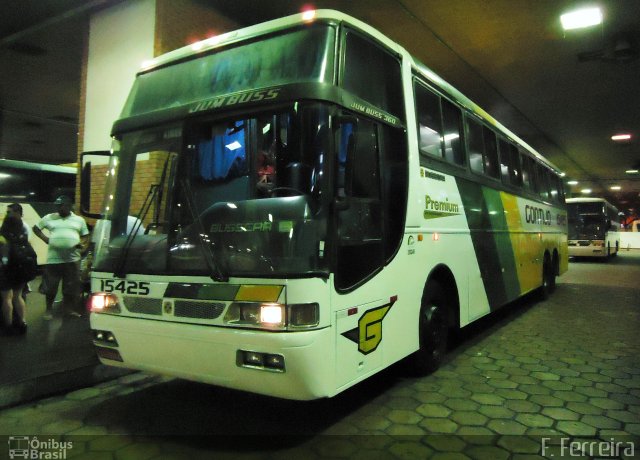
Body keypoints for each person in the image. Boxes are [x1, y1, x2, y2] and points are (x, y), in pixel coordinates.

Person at [32, 195, 90, 320]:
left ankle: (68, 310)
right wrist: (46, 239)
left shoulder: (79, 220)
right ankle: (48, 310)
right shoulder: (49, 217)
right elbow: (36, 228)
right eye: (57, 205)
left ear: (69, 206)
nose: (58, 208)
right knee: (51, 286)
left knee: (70, 287)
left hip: (72, 259)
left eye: (61, 206)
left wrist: (83, 245)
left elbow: (85, 235)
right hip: (54, 259)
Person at [0, 203, 36, 335]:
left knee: (6, 298)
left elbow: (4, 248)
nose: (7, 214)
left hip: (7, 267)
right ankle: (22, 323)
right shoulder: (24, 227)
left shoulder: (4, 230)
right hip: (22, 266)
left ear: (17, 212)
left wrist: (3, 261)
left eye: (9, 212)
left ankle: (8, 326)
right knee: (18, 296)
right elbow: (28, 243)